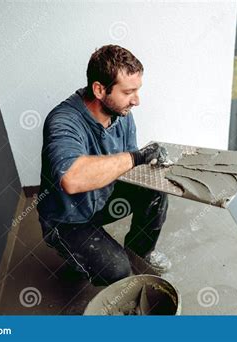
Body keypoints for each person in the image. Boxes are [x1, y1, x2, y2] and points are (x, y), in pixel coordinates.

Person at [37, 45, 171, 286]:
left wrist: (160, 170)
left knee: (156, 191)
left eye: (137, 90)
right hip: (68, 218)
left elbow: (130, 169)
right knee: (117, 270)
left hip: (102, 197)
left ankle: (141, 254)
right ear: (99, 89)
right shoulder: (63, 121)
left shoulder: (122, 113)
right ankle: (79, 258)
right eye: (129, 91)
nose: (137, 100)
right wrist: (135, 157)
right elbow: (71, 178)